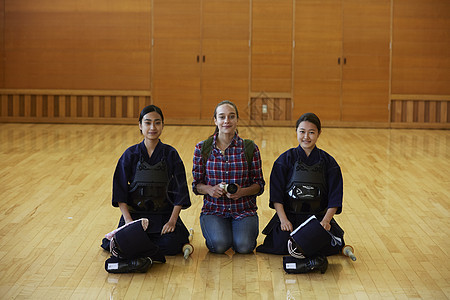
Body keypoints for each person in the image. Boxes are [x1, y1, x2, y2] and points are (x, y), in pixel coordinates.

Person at [101, 105, 191, 272]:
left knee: (170, 246)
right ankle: (146, 249)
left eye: (157, 123)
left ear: (163, 125)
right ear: (140, 125)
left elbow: (180, 190)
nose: (152, 127)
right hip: (135, 217)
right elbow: (120, 190)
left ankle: (141, 249)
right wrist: (128, 221)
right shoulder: (130, 154)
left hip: (164, 216)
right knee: (117, 244)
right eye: (147, 123)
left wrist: (172, 221)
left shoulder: (171, 154)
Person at [256, 112, 345, 273]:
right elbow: (276, 194)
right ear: (296, 132)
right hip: (290, 217)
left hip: (317, 219)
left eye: (311, 132)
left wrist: (326, 220)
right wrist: (283, 220)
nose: (306, 137)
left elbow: (335, 196)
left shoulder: (329, 162)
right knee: (282, 246)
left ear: (319, 133)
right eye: (302, 131)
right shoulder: (285, 159)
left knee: (329, 246)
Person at [192, 100, 265, 254]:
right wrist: (210, 189)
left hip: (243, 210)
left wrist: (242, 192)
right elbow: (196, 185)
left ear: (237, 120)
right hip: (214, 210)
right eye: (222, 117)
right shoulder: (202, 148)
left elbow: (259, 184)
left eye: (231, 116)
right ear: (215, 120)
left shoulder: (250, 148)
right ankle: (224, 233)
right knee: (219, 246)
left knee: (244, 247)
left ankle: (237, 233)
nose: (227, 121)